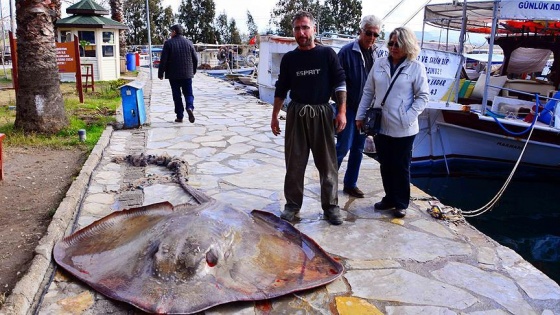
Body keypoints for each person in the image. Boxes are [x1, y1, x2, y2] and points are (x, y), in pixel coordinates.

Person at [270, 11, 347, 225]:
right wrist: (275, 115)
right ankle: (292, 206)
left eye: (305, 27)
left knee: (327, 164)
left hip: (322, 114)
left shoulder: (327, 55)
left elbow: (340, 83)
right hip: (297, 114)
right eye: (297, 28)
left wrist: (341, 112)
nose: (301, 33)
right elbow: (281, 88)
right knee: (294, 163)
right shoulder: (290, 59)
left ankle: (331, 207)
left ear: (314, 29)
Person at [356, 27, 429, 218]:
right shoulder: (379, 64)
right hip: (381, 124)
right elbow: (368, 92)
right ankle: (389, 197)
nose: (393, 47)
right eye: (391, 43)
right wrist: (360, 115)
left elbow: (423, 96)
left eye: (398, 44)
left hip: (404, 128)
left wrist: (409, 115)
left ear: (407, 45)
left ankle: (401, 202)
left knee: (401, 166)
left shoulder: (415, 67)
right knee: (385, 164)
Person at [336, 15, 383, 198]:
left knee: (358, 149)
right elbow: (337, 82)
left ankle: (350, 184)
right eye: (368, 33)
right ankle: (329, 182)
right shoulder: (346, 52)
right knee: (343, 147)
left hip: (365, 111)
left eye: (375, 34)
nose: (371, 37)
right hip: (348, 108)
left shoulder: (377, 54)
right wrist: (341, 109)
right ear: (360, 31)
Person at [158, 24, 198, 123]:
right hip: (187, 74)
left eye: (171, 31)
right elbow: (195, 59)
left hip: (173, 74)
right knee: (188, 93)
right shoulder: (189, 43)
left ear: (174, 32)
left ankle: (179, 116)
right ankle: (189, 107)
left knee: (177, 96)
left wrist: (160, 73)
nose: (170, 33)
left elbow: (164, 60)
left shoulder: (168, 43)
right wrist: (193, 70)